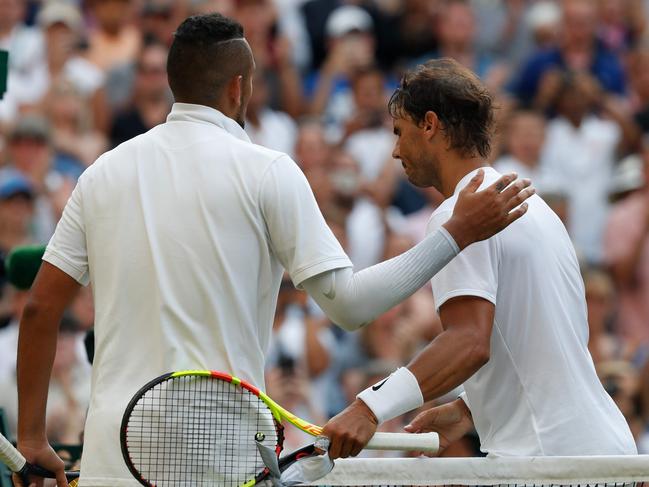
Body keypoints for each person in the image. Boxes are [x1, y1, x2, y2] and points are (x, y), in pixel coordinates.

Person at [13, 15, 533, 487]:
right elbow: (348, 307)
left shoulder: (101, 173)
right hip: (219, 459)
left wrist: (32, 438)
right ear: (239, 87)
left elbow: (39, 309)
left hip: (113, 460)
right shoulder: (268, 170)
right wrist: (453, 235)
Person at [322, 58, 637, 460]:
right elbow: (543, 342)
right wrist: (470, 408)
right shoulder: (538, 207)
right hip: (606, 452)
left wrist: (368, 408)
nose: (397, 150)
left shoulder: (463, 214)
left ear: (430, 125)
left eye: (400, 133)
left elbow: (469, 342)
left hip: (550, 462)